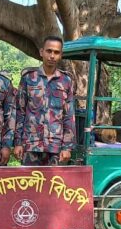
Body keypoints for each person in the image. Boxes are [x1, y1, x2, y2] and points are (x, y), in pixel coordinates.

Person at [13, 35, 76, 165]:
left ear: (60, 55)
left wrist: (67, 147)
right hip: (31, 144)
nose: (52, 56)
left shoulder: (66, 81)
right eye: (49, 51)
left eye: (56, 52)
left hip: (56, 147)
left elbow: (69, 117)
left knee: (53, 185)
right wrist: (18, 143)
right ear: (42, 52)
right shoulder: (28, 78)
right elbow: (20, 112)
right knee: (29, 184)